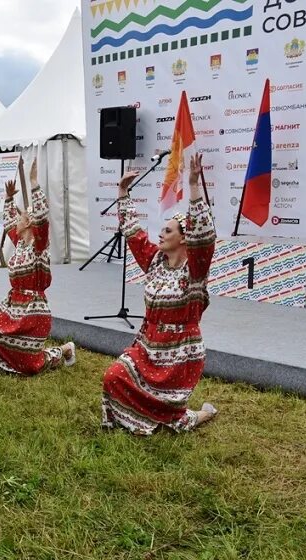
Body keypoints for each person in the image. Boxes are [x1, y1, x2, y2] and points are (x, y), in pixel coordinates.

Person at [102, 154, 218, 435]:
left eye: (168, 230)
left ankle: (199, 415)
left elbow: (204, 237)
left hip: (180, 353)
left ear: (183, 237)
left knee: (169, 417)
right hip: (148, 344)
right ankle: (143, 416)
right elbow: (133, 233)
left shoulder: (195, 269)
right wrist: (122, 193)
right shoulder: (154, 261)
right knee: (114, 376)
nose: (161, 234)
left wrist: (193, 187)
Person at [0, 160, 75, 375]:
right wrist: (9, 198)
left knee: (31, 367)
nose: (16, 220)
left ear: (29, 223)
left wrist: (33, 182)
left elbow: (42, 218)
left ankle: (64, 350)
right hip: (13, 302)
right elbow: (8, 221)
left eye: (21, 217)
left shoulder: (39, 246)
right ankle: (0, 365)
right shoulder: (20, 243)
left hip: (34, 308)